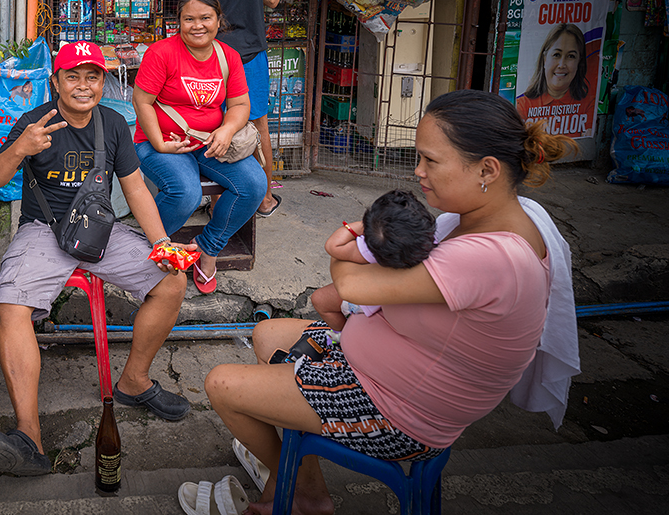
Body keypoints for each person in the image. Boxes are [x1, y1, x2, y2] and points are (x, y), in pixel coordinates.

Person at [200, 90, 577, 515]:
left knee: (223, 385)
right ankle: (303, 487)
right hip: (390, 366)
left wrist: (352, 244)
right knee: (268, 333)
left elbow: (353, 286)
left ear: (486, 169)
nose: (419, 171)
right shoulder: (488, 217)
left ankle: (301, 495)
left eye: (431, 161)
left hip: (402, 412)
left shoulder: (489, 257)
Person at [0, 41, 194, 476]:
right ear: (55, 82)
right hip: (44, 230)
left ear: (102, 82)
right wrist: (21, 147)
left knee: (172, 280)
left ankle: (134, 381)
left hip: (99, 229)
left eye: (92, 76)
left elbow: (135, 189)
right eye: (72, 76)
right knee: (11, 305)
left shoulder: (113, 123)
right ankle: (29, 437)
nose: (83, 85)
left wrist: (164, 245)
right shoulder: (34, 121)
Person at [132, 0, 268, 295]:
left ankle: (207, 249)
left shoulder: (228, 56)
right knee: (185, 193)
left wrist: (227, 129)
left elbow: (240, 105)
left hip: (208, 142)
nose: (197, 26)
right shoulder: (161, 53)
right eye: (189, 19)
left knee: (254, 184)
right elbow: (142, 102)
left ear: (219, 20)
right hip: (161, 143)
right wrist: (159, 143)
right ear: (178, 22)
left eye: (205, 18)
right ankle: (153, 249)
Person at [179, 0, 281, 219]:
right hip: (251, 51)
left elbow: (192, 4)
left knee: (214, 121)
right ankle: (263, 200)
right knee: (258, 123)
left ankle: (215, 199)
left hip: (213, 54)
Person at [310, 189, 437, 330]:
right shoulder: (429, 242)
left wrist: (361, 226)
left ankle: (341, 333)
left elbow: (333, 246)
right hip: (398, 302)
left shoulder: (371, 249)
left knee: (319, 300)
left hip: (368, 301)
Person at [515, 23, 589, 135]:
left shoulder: (588, 104)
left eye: (571, 56)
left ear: (579, 61)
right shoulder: (522, 105)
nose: (561, 65)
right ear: (544, 59)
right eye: (556, 55)